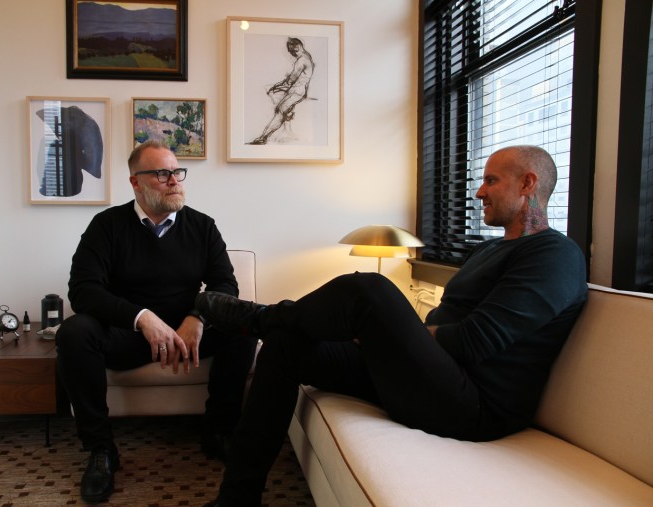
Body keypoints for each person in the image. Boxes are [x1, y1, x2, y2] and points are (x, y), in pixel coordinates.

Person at [196, 145, 588, 507]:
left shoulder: (555, 255)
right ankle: (237, 499)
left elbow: (473, 341)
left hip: (473, 404)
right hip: (433, 380)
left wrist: (383, 336)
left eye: (491, 180)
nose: (479, 193)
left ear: (528, 183)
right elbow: (443, 328)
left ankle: (260, 318)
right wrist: (385, 340)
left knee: (370, 288)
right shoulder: (488, 249)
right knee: (285, 346)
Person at [55, 140, 258, 504]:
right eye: (162, 173)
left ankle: (218, 431)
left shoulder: (202, 226)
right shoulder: (106, 226)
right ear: (136, 182)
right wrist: (142, 318)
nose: (174, 181)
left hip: (187, 335)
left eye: (177, 172)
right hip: (128, 336)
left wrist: (197, 316)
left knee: (242, 325)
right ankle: (101, 450)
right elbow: (83, 291)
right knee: (74, 332)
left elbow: (225, 284)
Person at [249, 37, 314, 145]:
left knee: (279, 111)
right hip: (297, 91)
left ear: (298, 47)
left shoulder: (302, 60)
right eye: (290, 51)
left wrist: (278, 86)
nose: (292, 53)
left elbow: (292, 79)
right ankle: (286, 127)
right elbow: (292, 79)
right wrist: (280, 85)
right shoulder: (307, 57)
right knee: (282, 109)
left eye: (293, 51)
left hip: (297, 92)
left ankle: (263, 137)